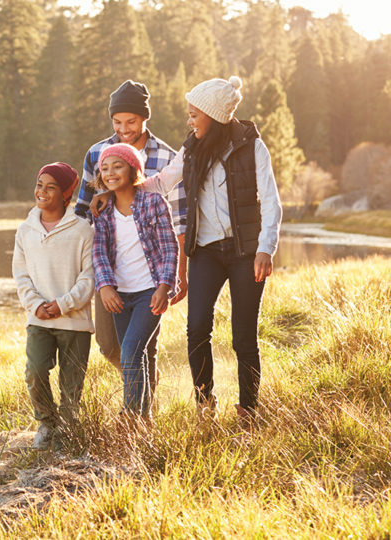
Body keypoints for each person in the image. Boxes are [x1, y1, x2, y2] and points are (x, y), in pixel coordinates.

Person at [141, 76, 282, 427]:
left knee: (243, 336)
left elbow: (271, 201)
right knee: (197, 328)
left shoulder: (252, 148)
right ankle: (205, 402)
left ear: (214, 116)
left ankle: (248, 410)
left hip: (246, 252)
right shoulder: (191, 149)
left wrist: (266, 248)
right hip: (205, 251)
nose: (189, 121)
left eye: (194, 115)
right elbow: (162, 182)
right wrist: (119, 186)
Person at [74, 80, 188, 401]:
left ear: (145, 118)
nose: (124, 129)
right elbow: (83, 212)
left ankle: (138, 413)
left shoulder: (166, 156)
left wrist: (178, 276)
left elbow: (180, 220)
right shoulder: (96, 154)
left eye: (131, 122)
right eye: (117, 122)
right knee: (111, 346)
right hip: (111, 272)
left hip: (151, 273)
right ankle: (142, 392)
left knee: (140, 346)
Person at [90, 144, 178, 421]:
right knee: (135, 355)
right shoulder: (103, 210)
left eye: (117, 166)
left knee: (130, 351)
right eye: (105, 168)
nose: (110, 173)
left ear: (133, 169)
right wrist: (105, 286)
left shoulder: (154, 203)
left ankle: (129, 417)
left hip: (149, 293)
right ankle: (144, 419)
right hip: (120, 296)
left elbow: (169, 248)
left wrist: (164, 287)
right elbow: (99, 252)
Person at [12, 162, 95, 449]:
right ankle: (47, 423)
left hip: (75, 321)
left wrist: (62, 305)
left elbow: (88, 278)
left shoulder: (82, 230)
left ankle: (69, 433)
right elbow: (21, 274)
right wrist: (36, 305)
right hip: (39, 319)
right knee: (35, 371)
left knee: (72, 384)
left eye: (51, 187)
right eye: (39, 185)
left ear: (66, 194)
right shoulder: (25, 230)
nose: (42, 192)